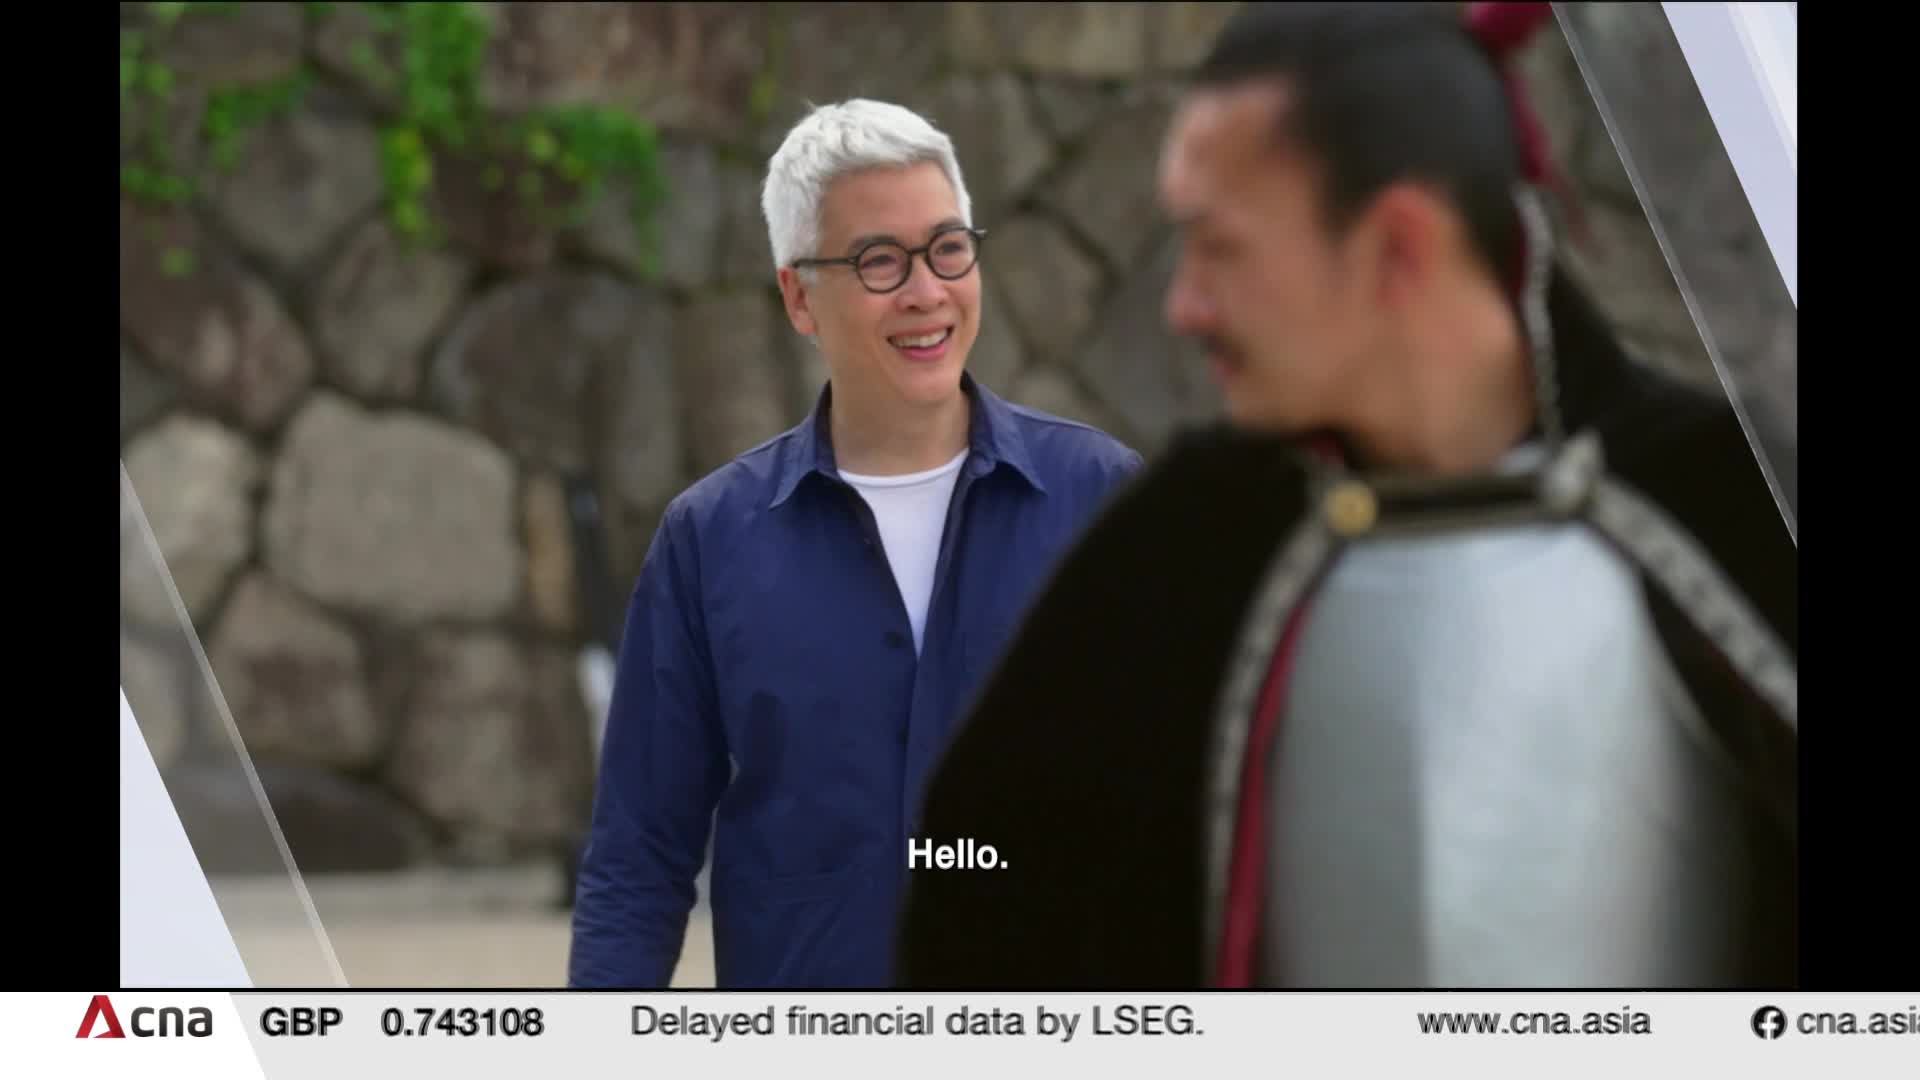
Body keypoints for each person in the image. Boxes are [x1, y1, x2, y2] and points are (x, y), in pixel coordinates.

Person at [895, 2, 1796, 989]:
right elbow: (980, 883)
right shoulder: (1184, 555)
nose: (1184, 304)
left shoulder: (1735, 511)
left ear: (1397, 245)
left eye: (1221, 247)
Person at [567, 98, 1144, 988]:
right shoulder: (709, 542)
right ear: (800, 295)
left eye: (948, 247)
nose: (927, 291)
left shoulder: (1101, 501)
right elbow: (639, 861)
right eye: (880, 261)